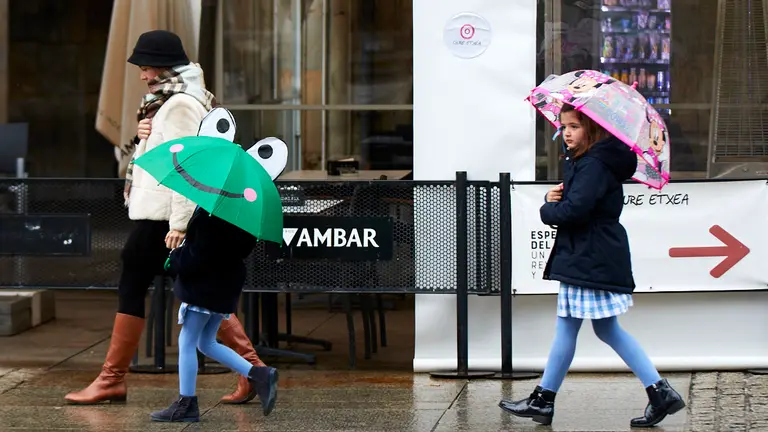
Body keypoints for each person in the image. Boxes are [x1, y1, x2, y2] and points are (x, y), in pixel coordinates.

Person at [65, 29, 268, 406]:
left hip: (165, 216)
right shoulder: (169, 101)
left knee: (154, 282)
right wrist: (144, 133)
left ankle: (112, 379)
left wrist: (179, 224)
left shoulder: (179, 104)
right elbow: (162, 152)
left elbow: (188, 167)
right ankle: (252, 370)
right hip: (160, 213)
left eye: (145, 68)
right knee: (192, 288)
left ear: (162, 67)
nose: (142, 76)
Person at [498, 104, 685, 428]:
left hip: (589, 255)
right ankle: (658, 393)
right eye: (564, 126)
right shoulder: (590, 163)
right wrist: (563, 193)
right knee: (601, 328)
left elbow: (575, 211)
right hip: (590, 255)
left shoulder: (593, 165)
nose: (566, 133)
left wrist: (547, 208)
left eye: (574, 126)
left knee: (578, 327)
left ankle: (545, 400)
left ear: (593, 129)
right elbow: (580, 203)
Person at [150, 204, 278, 422]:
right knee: (205, 342)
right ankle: (259, 374)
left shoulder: (211, 214)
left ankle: (186, 402)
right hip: (224, 286)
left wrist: (175, 258)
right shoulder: (244, 212)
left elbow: (197, 256)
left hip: (203, 287)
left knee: (187, 342)